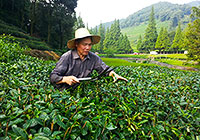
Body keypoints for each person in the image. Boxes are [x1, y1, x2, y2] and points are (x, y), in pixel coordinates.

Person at [50, 28, 128, 90]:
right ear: (77, 44)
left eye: (89, 45)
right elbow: (53, 77)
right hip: (64, 93)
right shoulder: (67, 57)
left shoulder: (93, 58)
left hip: (82, 93)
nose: (87, 48)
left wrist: (115, 75)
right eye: (84, 44)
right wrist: (65, 79)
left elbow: (105, 70)